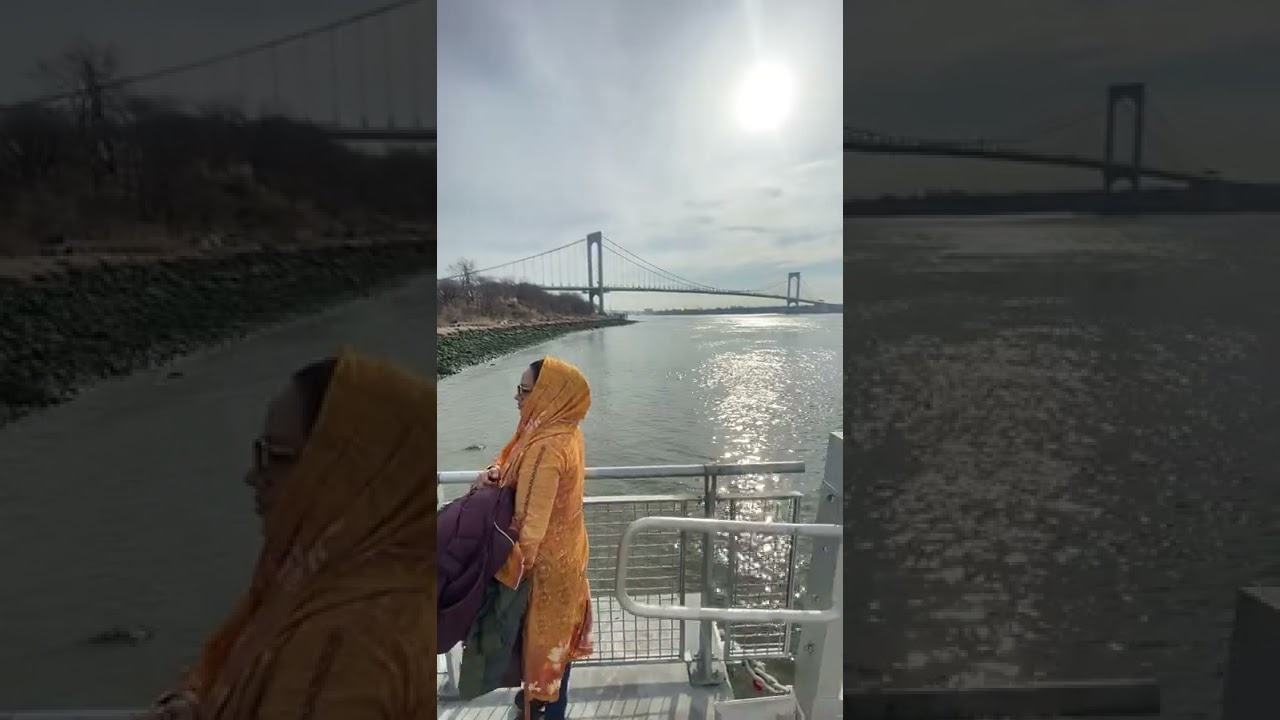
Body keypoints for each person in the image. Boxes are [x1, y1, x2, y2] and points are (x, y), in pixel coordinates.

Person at [140, 349, 436, 720]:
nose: (253, 476)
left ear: (348, 476)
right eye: (259, 452)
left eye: (277, 457)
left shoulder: (344, 641)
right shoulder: (341, 585)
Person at [476, 357, 593, 720]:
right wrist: (498, 470)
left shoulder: (546, 449)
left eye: (525, 390)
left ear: (546, 394)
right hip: (567, 562)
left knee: (544, 662)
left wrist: (494, 577)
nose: (517, 397)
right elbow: (512, 455)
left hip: (543, 575)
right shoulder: (560, 430)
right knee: (554, 657)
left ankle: (544, 711)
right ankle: (544, 705)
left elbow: (530, 532)